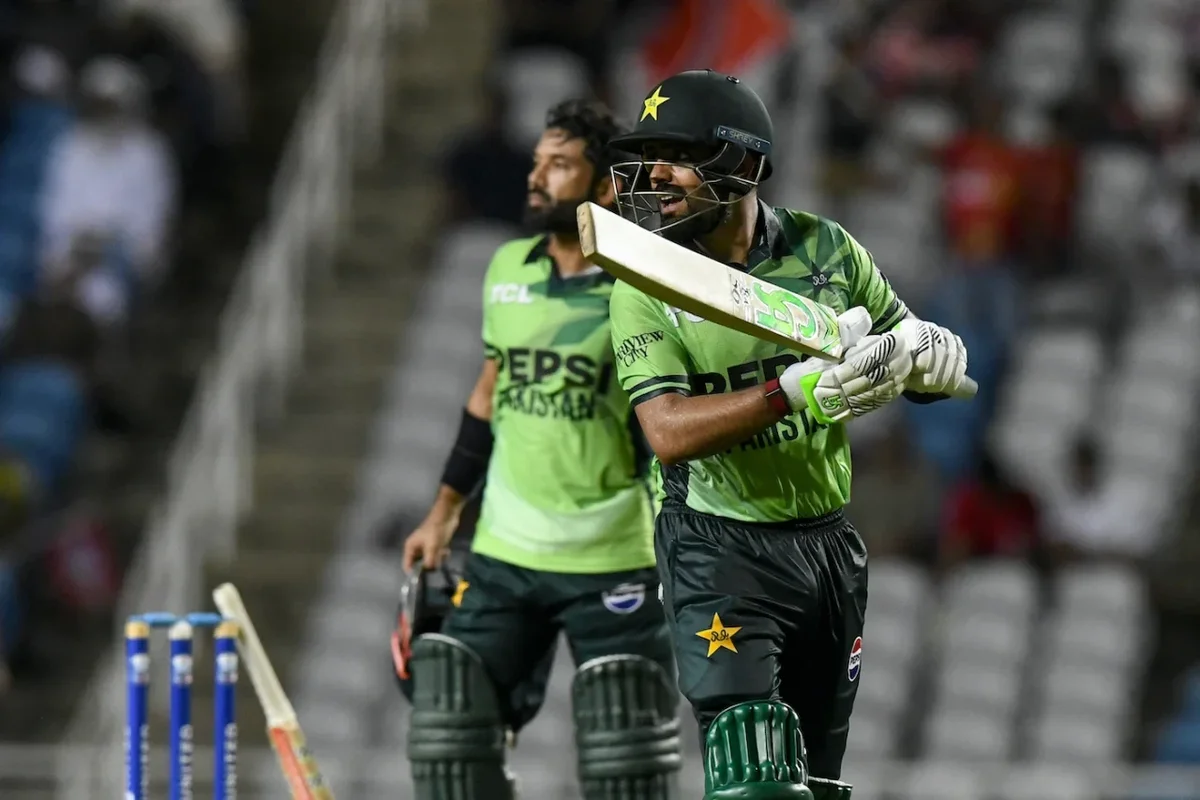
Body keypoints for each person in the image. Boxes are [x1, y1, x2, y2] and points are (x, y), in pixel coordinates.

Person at [605, 69, 972, 799]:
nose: (652, 176)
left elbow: (902, 347)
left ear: (741, 165)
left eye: (675, 154)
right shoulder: (645, 286)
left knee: (817, 786)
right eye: (648, 158)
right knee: (757, 780)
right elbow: (668, 433)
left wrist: (929, 359)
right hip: (717, 545)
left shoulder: (827, 251)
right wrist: (788, 391)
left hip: (827, 546)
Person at [400, 99, 680, 800]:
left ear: (606, 186)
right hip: (505, 551)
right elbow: (488, 397)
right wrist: (442, 514)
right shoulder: (506, 267)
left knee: (627, 760)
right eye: (536, 162)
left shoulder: (647, 287)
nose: (537, 178)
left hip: (614, 555)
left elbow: (675, 422)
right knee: (449, 731)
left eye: (559, 166)